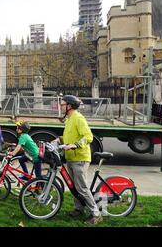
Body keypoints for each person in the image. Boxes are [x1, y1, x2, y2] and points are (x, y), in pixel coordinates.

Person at [56, 95, 102, 225]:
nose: (61, 106)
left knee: (82, 187)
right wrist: (58, 140)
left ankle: (96, 214)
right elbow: (69, 137)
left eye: (63, 104)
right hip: (71, 157)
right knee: (74, 187)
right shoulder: (70, 119)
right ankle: (79, 209)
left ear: (69, 106)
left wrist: (76, 145)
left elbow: (88, 136)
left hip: (80, 158)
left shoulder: (78, 118)